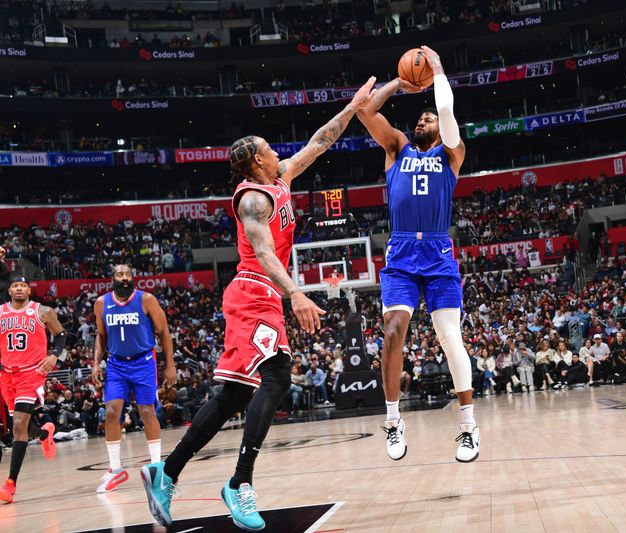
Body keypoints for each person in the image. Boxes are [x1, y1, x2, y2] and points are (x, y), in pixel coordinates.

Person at [140, 76, 377, 530]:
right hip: (253, 292)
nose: (276, 151)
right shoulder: (252, 198)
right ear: (254, 160)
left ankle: (166, 473)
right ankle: (240, 483)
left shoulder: (282, 176)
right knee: (277, 377)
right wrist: (295, 292)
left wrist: (353, 107)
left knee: (234, 394)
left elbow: (320, 142)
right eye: (268, 147)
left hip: (261, 295)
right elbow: (265, 252)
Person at [357, 46, 480, 462]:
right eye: (420, 117)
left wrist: (440, 68)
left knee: (449, 337)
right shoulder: (397, 148)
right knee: (393, 331)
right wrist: (399, 83)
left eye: (426, 117)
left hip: (439, 251)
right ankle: (393, 418)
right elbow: (366, 113)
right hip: (402, 250)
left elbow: (446, 112)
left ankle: (468, 426)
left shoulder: (451, 153)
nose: (421, 119)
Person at [92, 264, 177, 493]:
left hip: (143, 362)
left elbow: (164, 332)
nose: (125, 278)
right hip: (117, 363)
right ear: (113, 278)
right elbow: (100, 337)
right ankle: (116, 470)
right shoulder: (101, 303)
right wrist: (95, 364)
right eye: (120, 274)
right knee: (111, 412)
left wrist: (170, 365)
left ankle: (157, 466)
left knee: (147, 411)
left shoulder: (146, 299)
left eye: (129, 274)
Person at [0, 274, 63, 504]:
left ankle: (10, 484)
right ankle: (46, 433)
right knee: (22, 427)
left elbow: (61, 335)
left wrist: (55, 355)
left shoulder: (43, 311)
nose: (19, 289)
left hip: (31, 373)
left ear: (29, 290)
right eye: (15, 285)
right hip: (7, 375)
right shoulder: (0, 312)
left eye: (23, 286)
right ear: (9, 291)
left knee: (18, 425)